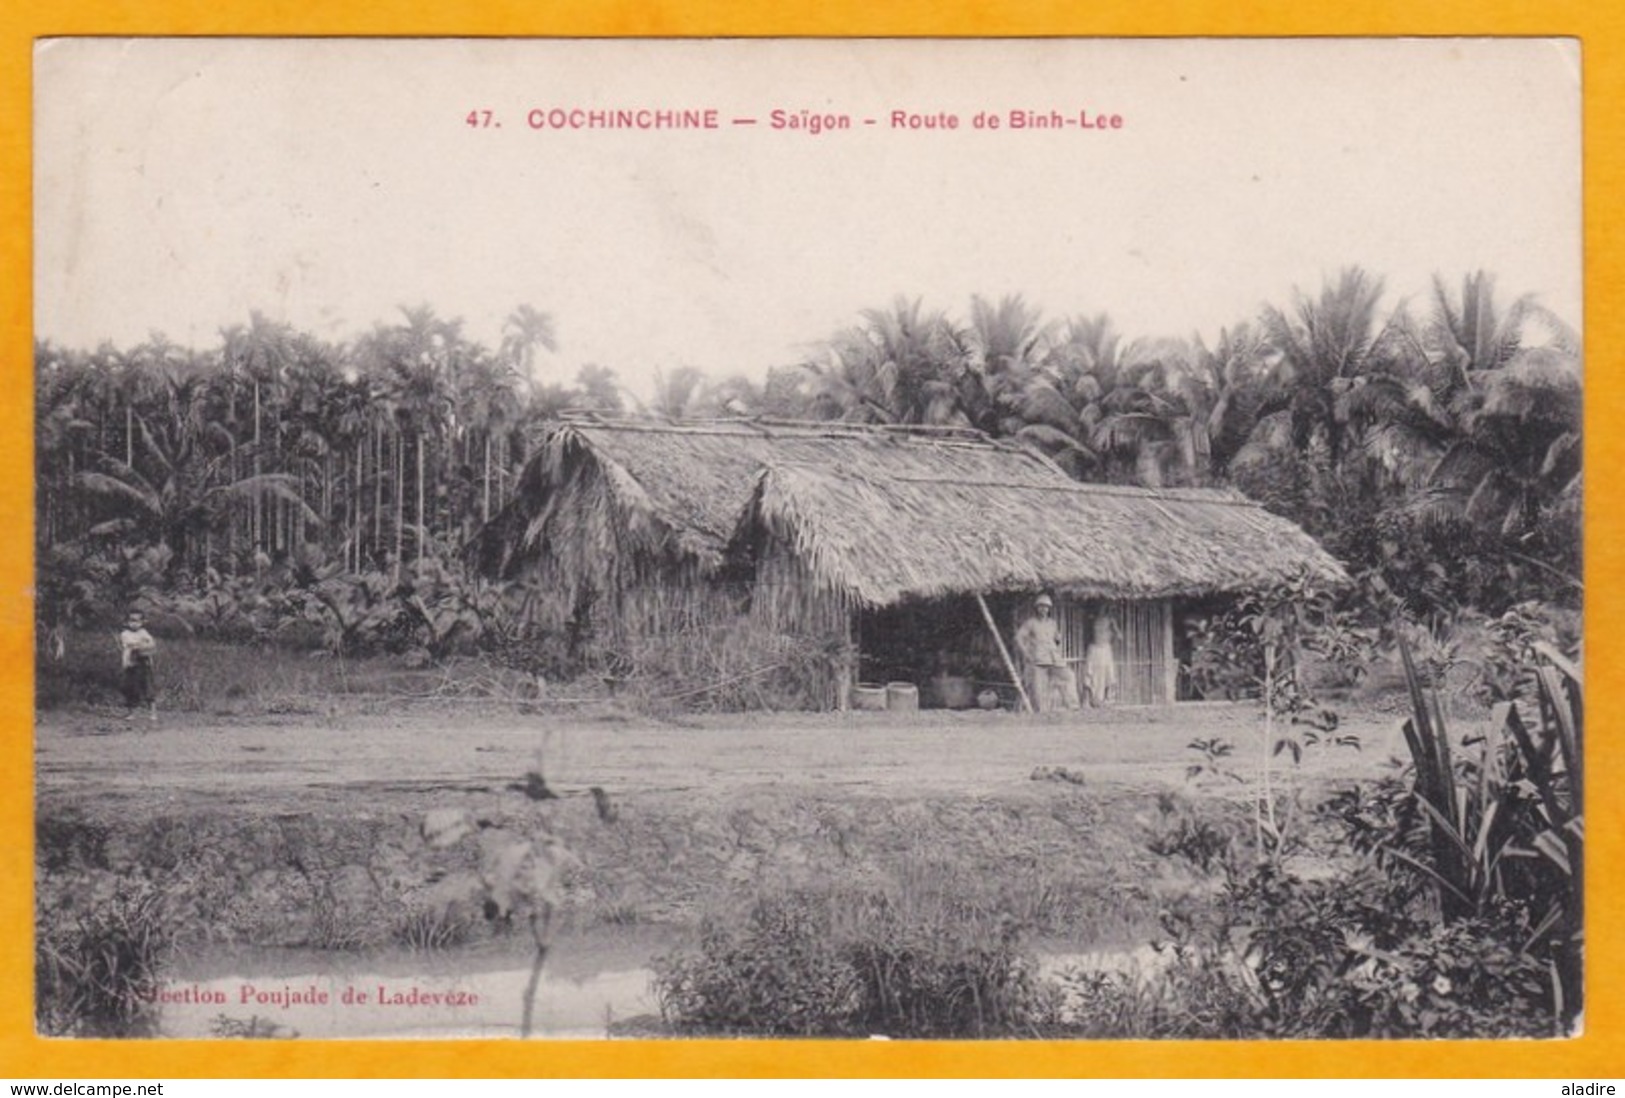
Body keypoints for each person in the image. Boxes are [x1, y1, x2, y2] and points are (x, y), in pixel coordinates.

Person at [1013, 593, 1079, 712]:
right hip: (1038, 660)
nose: (1043, 609)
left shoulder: (1052, 623)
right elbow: (1018, 637)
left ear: (1049, 608)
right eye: (1041, 606)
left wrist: (1057, 640)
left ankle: (1072, 706)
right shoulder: (1031, 623)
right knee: (1039, 689)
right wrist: (1026, 653)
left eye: (1046, 607)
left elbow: (1057, 639)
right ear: (1037, 608)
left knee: (1069, 676)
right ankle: (1041, 713)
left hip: (1054, 659)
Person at [117, 609, 158, 722]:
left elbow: (152, 644)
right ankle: (131, 713)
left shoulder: (143, 632)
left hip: (144, 662)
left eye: (137, 621)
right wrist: (141, 645)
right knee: (131, 688)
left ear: (142, 622)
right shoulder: (125, 634)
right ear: (126, 622)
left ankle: (153, 712)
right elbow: (129, 646)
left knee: (148, 686)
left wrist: (141, 646)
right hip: (132, 662)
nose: (134, 623)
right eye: (131, 621)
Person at [1083, 614, 1118, 707]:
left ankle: (1107, 699)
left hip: (1105, 648)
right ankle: (1088, 699)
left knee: (1109, 674)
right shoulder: (1092, 620)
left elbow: (1119, 636)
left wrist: (1114, 627)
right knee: (1090, 673)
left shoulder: (1110, 621)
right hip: (1094, 648)